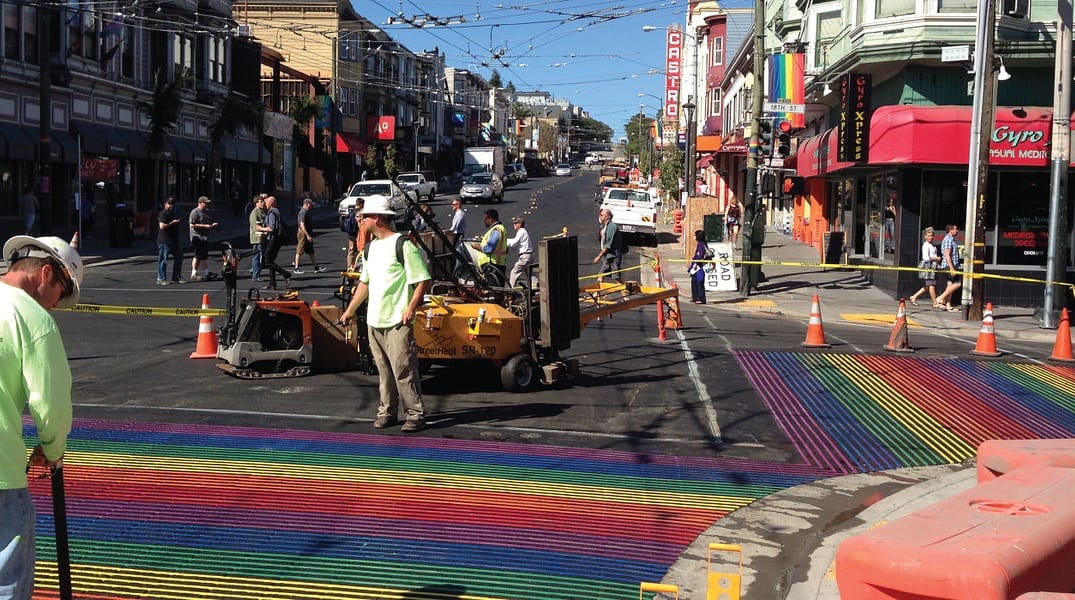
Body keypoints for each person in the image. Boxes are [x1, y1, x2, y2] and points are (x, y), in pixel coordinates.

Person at [1, 235, 81, 600]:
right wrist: (52, 449)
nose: (57, 306)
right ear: (46, 273)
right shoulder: (30, 317)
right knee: (7, 579)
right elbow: (49, 403)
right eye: (61, 295)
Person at [339, 195, 432, 433]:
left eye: (365, 216)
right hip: (375, 320)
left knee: (403, 369)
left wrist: (410, 307)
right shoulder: (370, 249)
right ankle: (387, 411)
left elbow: (422, 279)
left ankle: (414, 413)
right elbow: (365, 283)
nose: (360, 219)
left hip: (397, 320)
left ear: (377, 218)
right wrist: (350, 310)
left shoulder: (403, 245)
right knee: (383, 370)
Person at [257, 196, 292, 290]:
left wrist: (262, 229)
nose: (265, 204)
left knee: (266, 261)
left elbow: (272, 227)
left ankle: (286, 274)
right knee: (270, 261)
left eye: (266, 202)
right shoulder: (273, 212)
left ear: (271, 203)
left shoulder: (272, 213)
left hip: (273, 240)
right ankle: (272, 283)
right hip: (275, 239)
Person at [292, 197, 326, 274]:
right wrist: (307, 235)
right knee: (299, 250)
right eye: (310, 205)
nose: (311, 206)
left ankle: (316, 267)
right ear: (307, 204)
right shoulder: (303, 212)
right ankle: (296, 268)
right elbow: (302, 224)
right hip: (304, 234)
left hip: (307, 233)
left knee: (310, 251)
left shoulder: (306, 212)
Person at [188, 196, 219, 281]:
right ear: (200, 203)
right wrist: (205, 226)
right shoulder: (195, 212)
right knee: (198, 255)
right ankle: (194, 273)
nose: (207, 204)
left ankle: (207, 273)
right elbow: (192, 225)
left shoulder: (207, 212)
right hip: (197, 237)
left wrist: (212, 225)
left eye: (207, 203)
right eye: (205, 203)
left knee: (204, 256)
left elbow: (209, 223)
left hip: (205, 237)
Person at [470, 209, 508, 278]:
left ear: (491, 219)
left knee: (492, 287)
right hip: (498, 264)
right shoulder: (501, 228)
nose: (484, 221)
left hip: (492, 265)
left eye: (485, 219)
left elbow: (489, 249)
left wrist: (477, 246)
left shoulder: (496, 230)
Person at [155, 196, 185, 285]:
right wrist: (172, 223)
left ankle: (176, 276)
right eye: (169, 204)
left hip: (174, 240)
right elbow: (162, 226)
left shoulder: (173, 213)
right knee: (163, 260)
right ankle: (160, 278)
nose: (171, 205)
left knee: (179, 257)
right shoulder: (163, 214)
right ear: (165, 204)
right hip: (164, 241)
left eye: (172, 204)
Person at [908, 227, 940, 307]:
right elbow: (925, 258)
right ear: (925, 236)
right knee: (931, 285)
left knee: (927, 286)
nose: (930, 237)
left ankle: (913, 297)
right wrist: (936, 258)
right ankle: (934, 302)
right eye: (928, 236)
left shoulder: (932, 245)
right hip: (928, 267)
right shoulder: (926, 245)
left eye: (932, 236)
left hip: (932, 267)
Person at [934, 223, 962, 312]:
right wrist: (952, 268)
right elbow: (947, 254)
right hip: (948, 266)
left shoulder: (952, 240)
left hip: (953, 265)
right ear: (951, 230)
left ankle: (948, 304)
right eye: (956, 229)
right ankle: (940, 298)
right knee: (957, 284)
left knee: (950, 285)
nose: (957, 231)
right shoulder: (948, 240)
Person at [593, 207, 622, 283]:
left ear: (607, 217)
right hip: (607, 256)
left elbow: (608, 244)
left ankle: (626, 291)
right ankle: (596, 294)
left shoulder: (612, 227)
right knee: (601, 274)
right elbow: (602, 240)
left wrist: (599, 256)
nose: (600, 216)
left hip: (613, 257)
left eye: (601, 215)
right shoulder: (604, 227)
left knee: (616, 277)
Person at [506, 216, 535, 288]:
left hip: (524, 257)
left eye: (515, 223)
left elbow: (514, 243)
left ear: (519, 224)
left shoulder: (521, 231)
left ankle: (510, 290)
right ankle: (536, 286)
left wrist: (504, 241)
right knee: (530, 273)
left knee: (514, 272)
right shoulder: (524, 232)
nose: (514, 225)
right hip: (529, 256)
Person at [248, 194, 266, 281]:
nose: (263, 202)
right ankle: (255, 275)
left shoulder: (261, 212)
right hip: (257, 238)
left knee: (260, 257)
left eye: (263, 201)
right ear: (256, 203)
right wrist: (267, 230)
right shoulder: (254, 213)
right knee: (258, 257)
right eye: (261, 201)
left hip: (261, 237)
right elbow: (257, 227)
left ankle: (254, 271)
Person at [689, 229, 709, 304]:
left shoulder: (701, 244)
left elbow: (699, 255)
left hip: (699, 266)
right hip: (696, 265)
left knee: (699, 282)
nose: (694, 236)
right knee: (694, 281)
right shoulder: (699, 244)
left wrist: (695, 264)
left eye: (695, 235)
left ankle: (701, 298)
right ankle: (695, 297)